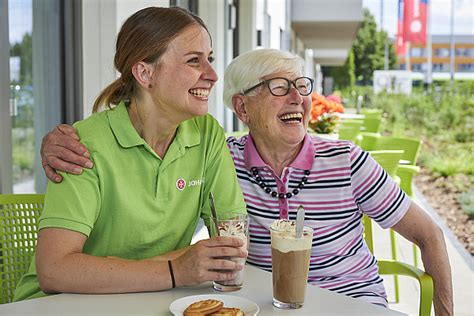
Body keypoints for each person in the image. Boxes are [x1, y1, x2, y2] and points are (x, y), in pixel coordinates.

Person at [40, 48, 453, 315]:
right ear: (242, 107)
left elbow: (430, 235)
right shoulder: (219, 157)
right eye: (278, 87)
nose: (297, 98)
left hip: (352, 304)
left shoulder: (346, 161)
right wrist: (60, 142)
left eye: (302, 87)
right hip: (261, 304)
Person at [13, 6, 248, 302]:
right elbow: (55, 271)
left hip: (147, 300)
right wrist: (176, 269)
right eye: (193, 61)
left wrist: (154, 271)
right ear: (145, 72)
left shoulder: (207, 134)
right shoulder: (81, 144)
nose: (213, 75)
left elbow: (231, 244)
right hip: (60, 305)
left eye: (209, 60)